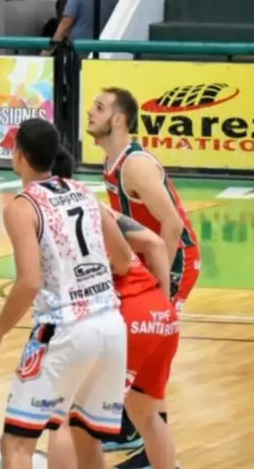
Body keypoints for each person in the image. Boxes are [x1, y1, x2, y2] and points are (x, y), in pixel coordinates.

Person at [0, 119, 130, 469]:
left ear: (19, 155)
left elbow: (28, 283)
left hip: (64, 328)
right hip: (111, 327)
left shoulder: (21, 207)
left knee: (16, 445)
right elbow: (123, 259)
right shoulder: (85, 193)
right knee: (86, 439)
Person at [85, 86, 200, 468]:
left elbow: (172, 225)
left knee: (146, 341)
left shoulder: (135, 165)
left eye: (99, 107)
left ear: (119, 119)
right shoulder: (113, 161)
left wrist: (159, 284)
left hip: (174, 259)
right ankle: (135, 428)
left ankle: (148, 446)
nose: (90, 112)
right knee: (131, 339)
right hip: (150, 257)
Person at [45, 150, 180, 469]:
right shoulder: (94, 204)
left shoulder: (43, 211)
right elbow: (155, 244)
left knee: (65, 418)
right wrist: (161, 303)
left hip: (124, 315)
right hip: (159, 314)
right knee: (146, 414)